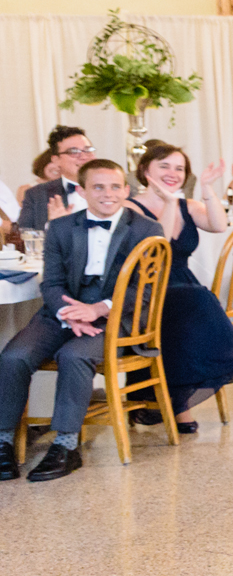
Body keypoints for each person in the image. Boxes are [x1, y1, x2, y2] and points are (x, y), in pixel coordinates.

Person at [0, 159, 164, 482]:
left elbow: (143, 291)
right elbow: (51, 282)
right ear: (83, 191)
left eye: (115, 187)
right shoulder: (61, 227)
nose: (108, 194)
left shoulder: (147, 229)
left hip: (117, 316)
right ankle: (3, 441)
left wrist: (98, 310)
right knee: (13, 356)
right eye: (98, 187)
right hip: (63, 310)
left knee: (73, 355)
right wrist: (68, 313)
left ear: (126, 190)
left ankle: (65, 445)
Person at [126, 144, 233, 433]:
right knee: (199, 299)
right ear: (146, 170)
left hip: (181, 284)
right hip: (145, 289)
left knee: (192, 309)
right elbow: (159, 244)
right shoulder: (129, 207)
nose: (173, 174)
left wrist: (208, 187)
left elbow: (219, 224)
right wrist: (170, 203)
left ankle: (177, 407)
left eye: (179, 169)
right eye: (164, 167)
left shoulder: (189, 206)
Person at [15, 126, 94, 230]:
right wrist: (53, 227)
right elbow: (25, 235)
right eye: (73, 151)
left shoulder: (116, 188)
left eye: (87, 150)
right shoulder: (36, 195)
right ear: (56, 160)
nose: (84, 156)